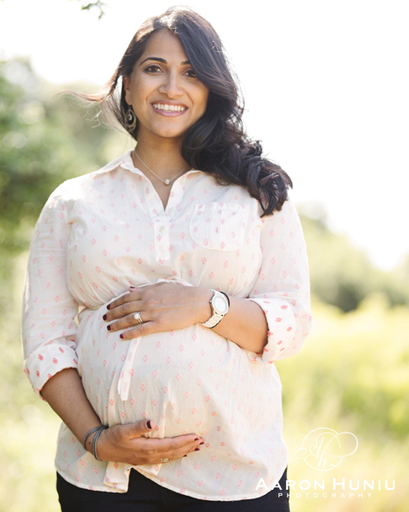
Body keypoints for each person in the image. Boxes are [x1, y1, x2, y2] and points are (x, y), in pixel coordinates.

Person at [20, 6, 312, 511]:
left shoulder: (256, 193)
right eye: (155, 68)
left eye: (192, 73)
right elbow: (46, 341)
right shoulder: (74, 202)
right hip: (103, 481)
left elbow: (289, 322)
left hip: (237, 477)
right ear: (128, 83)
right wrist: (95, 438)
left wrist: (205, 305)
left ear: (211, 90)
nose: (171, 87)